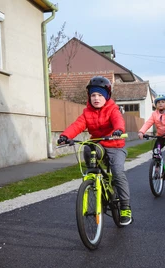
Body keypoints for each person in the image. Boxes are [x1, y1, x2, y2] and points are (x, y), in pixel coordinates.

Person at [57, 76, 132, 226]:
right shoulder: (87, 112)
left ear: (106, 96)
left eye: (99, 95)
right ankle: (94, 176)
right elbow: (77, 125)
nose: (96, 98)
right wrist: (66, 135)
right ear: (89, 97)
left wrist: (118, 130)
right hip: (99, 144)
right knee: (87, 147)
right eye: (93, 95)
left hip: (115, 145)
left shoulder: (112, 109)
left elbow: (118, 120)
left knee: (117, 173)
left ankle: (125, 207)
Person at [138, 94, 165, 173]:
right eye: (158, 102)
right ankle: (157, 167)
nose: (160, 104)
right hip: (160, 136)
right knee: (156, 151)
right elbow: (148, 123)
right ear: (156, 105)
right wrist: (141, 131)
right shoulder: (154, 114)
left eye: (162, 102)